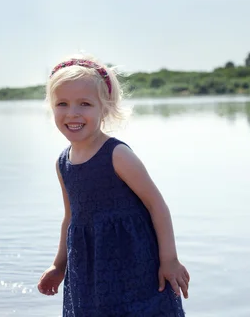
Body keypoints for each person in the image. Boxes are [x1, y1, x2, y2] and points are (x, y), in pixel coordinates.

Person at [37, 54, 189, 316]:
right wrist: (58, 265)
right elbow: (70, 218)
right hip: (88, 271)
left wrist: (169, 260)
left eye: (84, 104)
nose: (72, 113)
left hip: (134, 264)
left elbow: (156, 205)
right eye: (62, 103)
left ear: (104, 108)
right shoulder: (63, 163)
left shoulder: (117, 155)